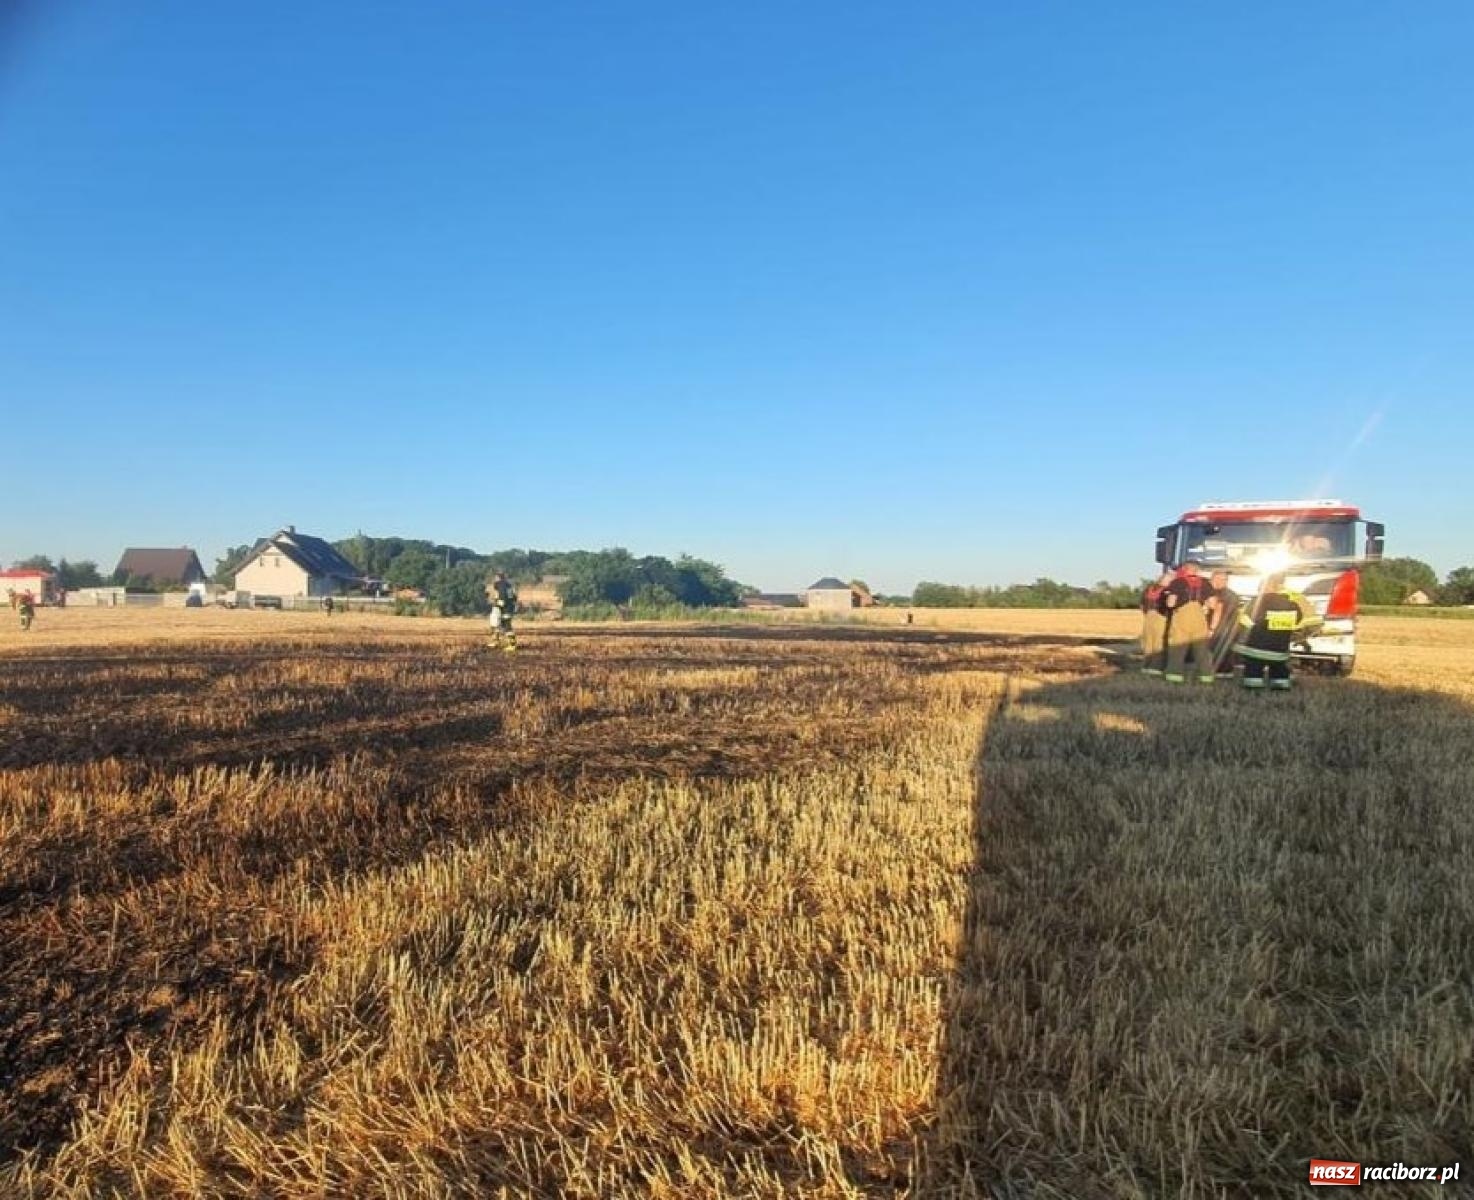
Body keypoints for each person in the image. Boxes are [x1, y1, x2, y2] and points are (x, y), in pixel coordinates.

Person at [1236, 573, 1322, 691]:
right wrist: (1300, 639)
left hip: (1256, 650)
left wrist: (1237, 642)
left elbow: (1245, 623)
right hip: (1279, 651)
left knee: (1253, 673)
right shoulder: (1292, 605)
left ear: (1262, 588)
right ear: (1277, 588)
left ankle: (1253, 694)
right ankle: (1280, 693)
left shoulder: (1256, 603)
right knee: (1280, 673)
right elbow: (1302, 624)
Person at [1161, 561, 1216, 684]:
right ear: (1197, 570)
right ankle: (1206, 677)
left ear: (1185, 569)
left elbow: (1171, 603)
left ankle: (1174, 677)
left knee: (1178, 648)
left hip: (1182, 618)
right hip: (1200, 618)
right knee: (1202, 649)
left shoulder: (1177, 582)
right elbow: (1213, 604)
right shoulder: (1206, 582)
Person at [1205, 570, 1243, 677]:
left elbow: (1218, 611)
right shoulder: (1232, 595)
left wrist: (1212, 629)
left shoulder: (1223, 594)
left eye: (1224, 579)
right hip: (1228, 628)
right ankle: (1224, 671)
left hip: (1220, 628)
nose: (1221, 582)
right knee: (1225, 651)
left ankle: (1219, 671)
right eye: (1220, 579)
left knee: (1216, 649)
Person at [1139, 572, 1173, 675]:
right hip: (1161, 617)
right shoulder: (1168, 591)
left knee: (1148, 641)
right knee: (1159, 642)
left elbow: (1142, 604)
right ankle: (1156, 667)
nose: (1170, 582)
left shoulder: (1149, 589)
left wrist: (1147, 614)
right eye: (1169, 580)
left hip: (1149, 616)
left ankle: (1146, 666)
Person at [488, 572, 519, 652]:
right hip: (509, 607)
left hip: (505, 608)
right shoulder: (509, 585)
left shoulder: (500, 585)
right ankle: (496, 641)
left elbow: (503, 598)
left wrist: (497, 604)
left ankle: (512, 645)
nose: (494, 581)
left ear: (498, 578)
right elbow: (514, 597)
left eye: (495, 579)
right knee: (499, 625)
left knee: (506, 625)